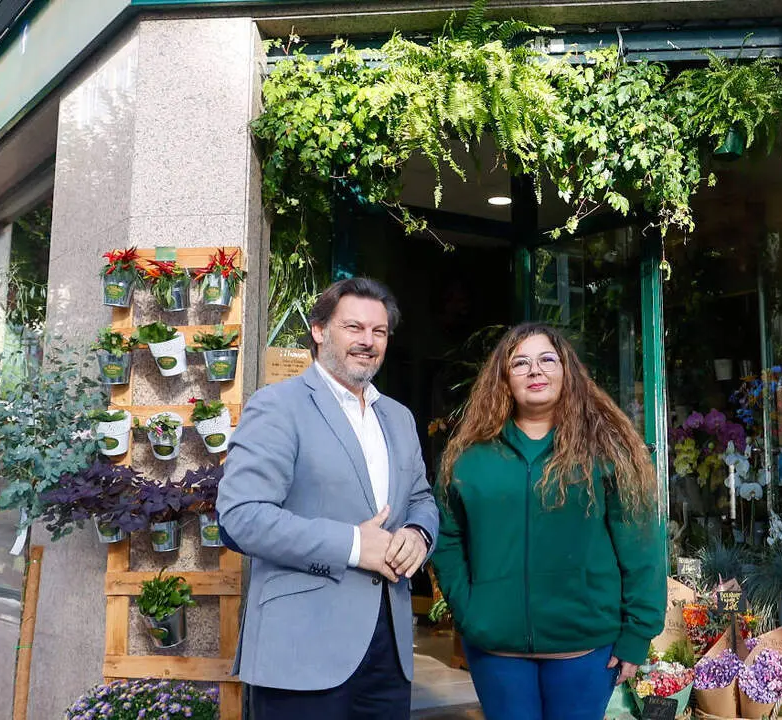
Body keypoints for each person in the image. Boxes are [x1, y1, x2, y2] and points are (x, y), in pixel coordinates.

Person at [217, 277, 438, 719]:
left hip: (388, 651)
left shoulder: (397, 417)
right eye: (354, 327)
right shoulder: (277, 405)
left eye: (379, 332)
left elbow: (421, 497)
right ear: (319, 331)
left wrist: (417, 533)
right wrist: (355, 546)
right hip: (302, 648)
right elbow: (240, 517)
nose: (367, 341)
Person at [432, 322, 665, 720]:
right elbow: (447, 536)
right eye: (520, 363)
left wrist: (637, 634)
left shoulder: (607, 449)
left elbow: (641, 543)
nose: (534, 371)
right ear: (504, 379)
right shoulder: (471, 457)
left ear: (566, 371)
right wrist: (470, 610)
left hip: (586, 648)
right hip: (496, 649)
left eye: (546, 360)